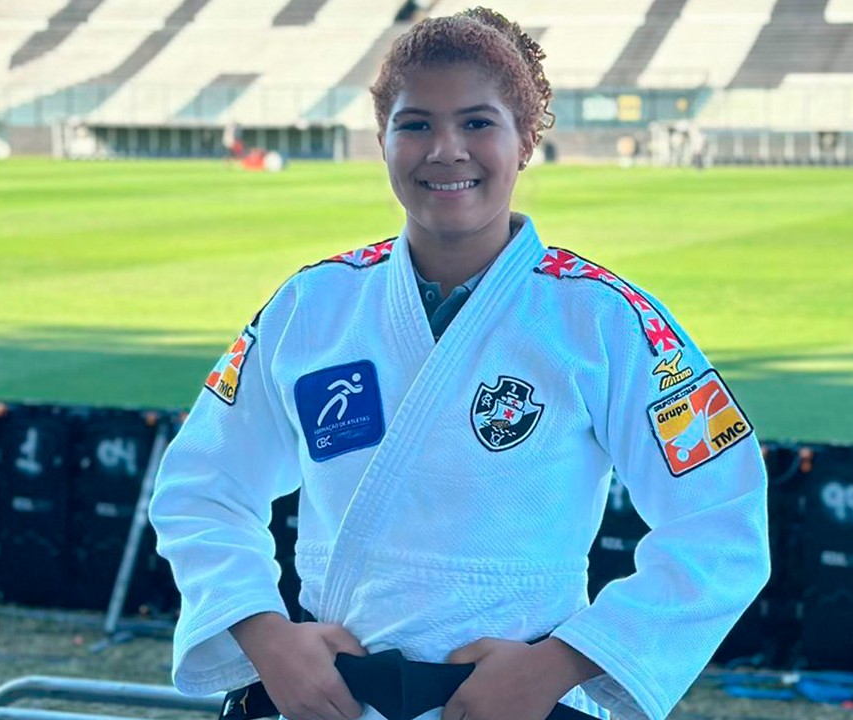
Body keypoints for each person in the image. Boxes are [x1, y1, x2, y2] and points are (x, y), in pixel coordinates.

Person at [148, 8, 770, 720]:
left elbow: (722, 520)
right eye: (415, 124)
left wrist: (559, 665)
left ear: (525, 139)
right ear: (382, 139)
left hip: (520, 701)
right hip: (326, 698)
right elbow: (201, 484)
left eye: (477, 122)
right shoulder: (312, 305)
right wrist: (264, 634)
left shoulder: (607, 321)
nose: (446, 150)